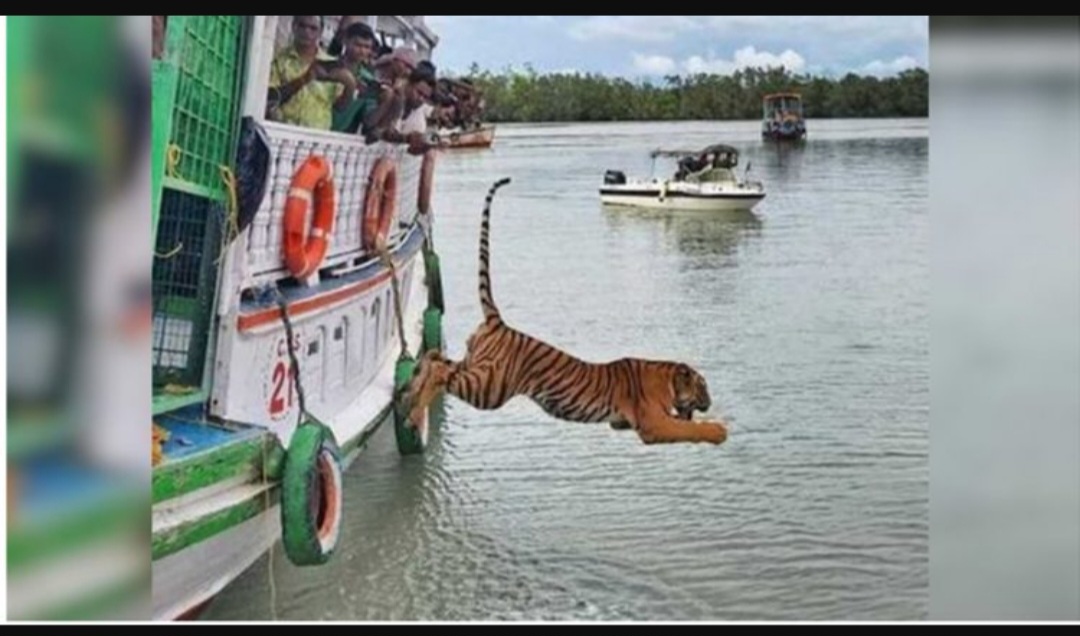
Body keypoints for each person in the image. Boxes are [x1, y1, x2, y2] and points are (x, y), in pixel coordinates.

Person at [266, 15, 356, 131]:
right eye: (302, 26)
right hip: (284, 132)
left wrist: (350, 84)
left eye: (313, 28)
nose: (307, 32)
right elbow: (271, 98)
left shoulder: (330, 64)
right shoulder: (278, 60)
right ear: (293, 27)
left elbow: (340, 107)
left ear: (320, 32)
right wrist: (304, 79)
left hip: (317, 136)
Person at [330, 21, 381, 134]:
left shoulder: (369, 81)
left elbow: (368, 119)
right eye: (358, 45)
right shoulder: (328, 65)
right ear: (346, 41)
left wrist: (387, 101)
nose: (362, 51)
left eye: (367, 47)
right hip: (312, 127)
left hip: (340, 137)